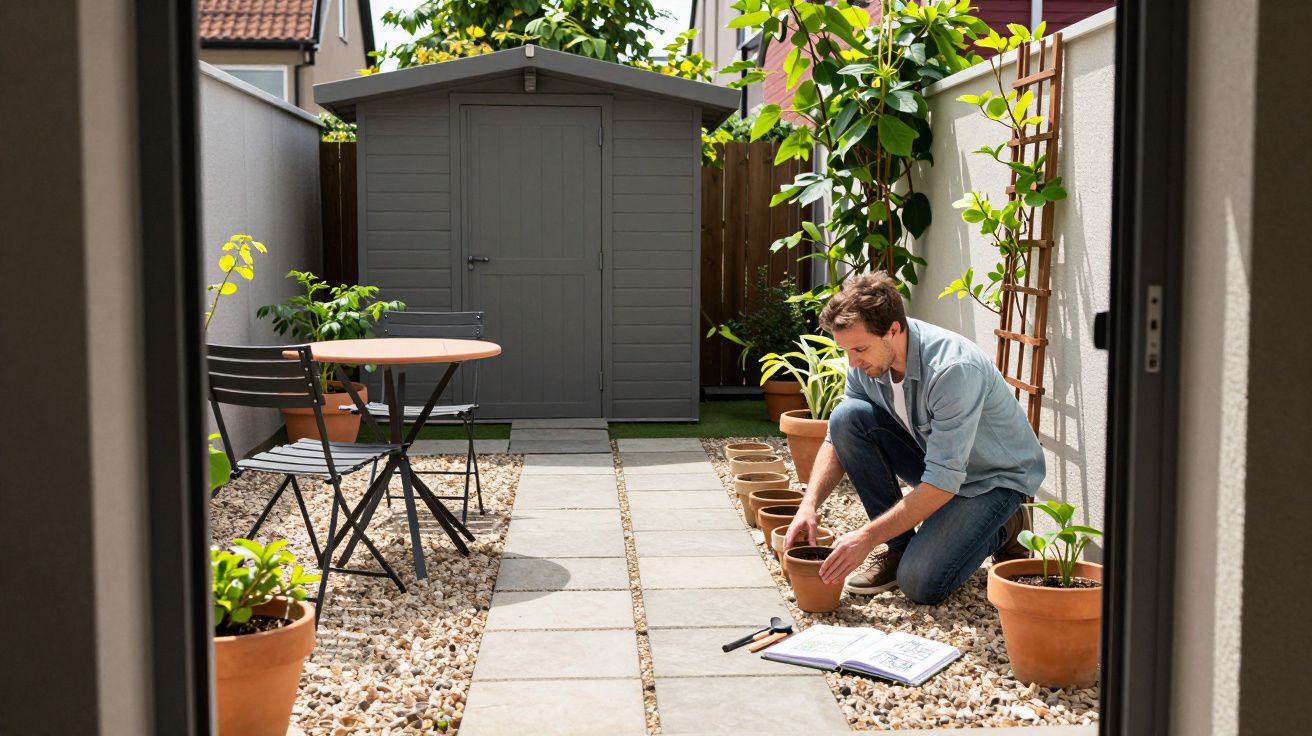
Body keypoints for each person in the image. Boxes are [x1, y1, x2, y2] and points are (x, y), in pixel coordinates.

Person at [783, 272, 1044, 604]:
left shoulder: (952, 369)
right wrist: (809, 505)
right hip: (943, 467)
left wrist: (865, 537)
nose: (852, 362)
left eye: (859, 349)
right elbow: (838, 438)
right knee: (847, 418)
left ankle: (1008, 521)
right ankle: (899, 547)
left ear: (893, 330)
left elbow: (942, 482)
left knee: (920, 584)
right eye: (846, 350)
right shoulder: (868, 361)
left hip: (993, 479)